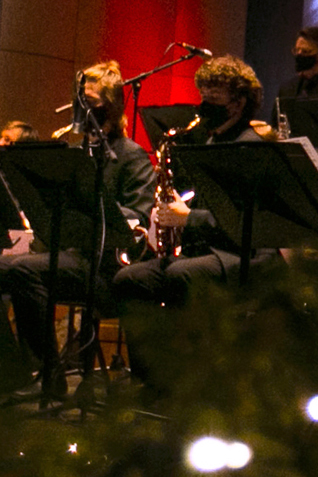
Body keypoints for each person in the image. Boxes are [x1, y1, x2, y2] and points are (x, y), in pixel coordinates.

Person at [0, 61, 155, 400]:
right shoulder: (76, 152)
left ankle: (48, 374)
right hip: (68, 255)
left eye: (91, 101)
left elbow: (138, 215)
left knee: (24, 270)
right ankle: (13, 366)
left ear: (110, 105)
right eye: (80, 100)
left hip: (106, 268)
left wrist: (93, 212)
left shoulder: (131, 156)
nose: (83, 108)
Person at [112, 55, 276, 312]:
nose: (203, 107)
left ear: (238, 104)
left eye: (213, 100)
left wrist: (188, 218)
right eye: (203, 97)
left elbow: (244, 221)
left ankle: (186, 352)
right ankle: (155, 352)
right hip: (204, 251)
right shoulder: (212, 141)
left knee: (180, 275)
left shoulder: (250, 147)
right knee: (130, 279)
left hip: (239, 256)